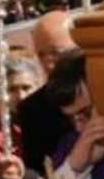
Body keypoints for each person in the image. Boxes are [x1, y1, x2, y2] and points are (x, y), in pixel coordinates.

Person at [16, 10, 77, 170]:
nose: (48, 64)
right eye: (41, 54)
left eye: (56, 53)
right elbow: (36, 170)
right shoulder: (31, 110)